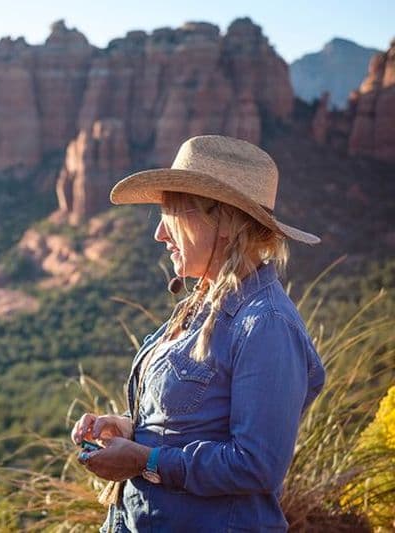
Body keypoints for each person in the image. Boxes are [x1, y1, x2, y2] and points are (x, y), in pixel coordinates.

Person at [70, 135, 326, 532]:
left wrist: (143, 460)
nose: (159, 233)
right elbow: (187, 422)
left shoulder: (267, 325)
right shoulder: (203, 302)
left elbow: (256, 466)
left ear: (221, 221)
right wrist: (126, 427)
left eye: (171, 213)